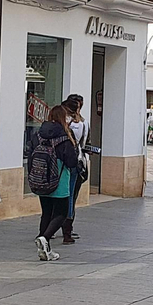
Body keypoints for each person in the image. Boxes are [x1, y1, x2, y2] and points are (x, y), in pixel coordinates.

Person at [31, 105, 81, 260]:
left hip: (41, 179)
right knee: (61, 213)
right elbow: (71, 162)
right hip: (59, 180)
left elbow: (30, 152)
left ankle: (44, 247)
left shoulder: (38, 135)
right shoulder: (64, 137)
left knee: (46, 212)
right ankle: (44, 238)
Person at [62, 95, 88, 243]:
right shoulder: (82, 123)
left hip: (61, 161)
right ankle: (67, 229)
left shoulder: (62, 122)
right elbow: (84, 143)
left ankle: (50, 228)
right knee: (71, 195)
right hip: (75, 161)